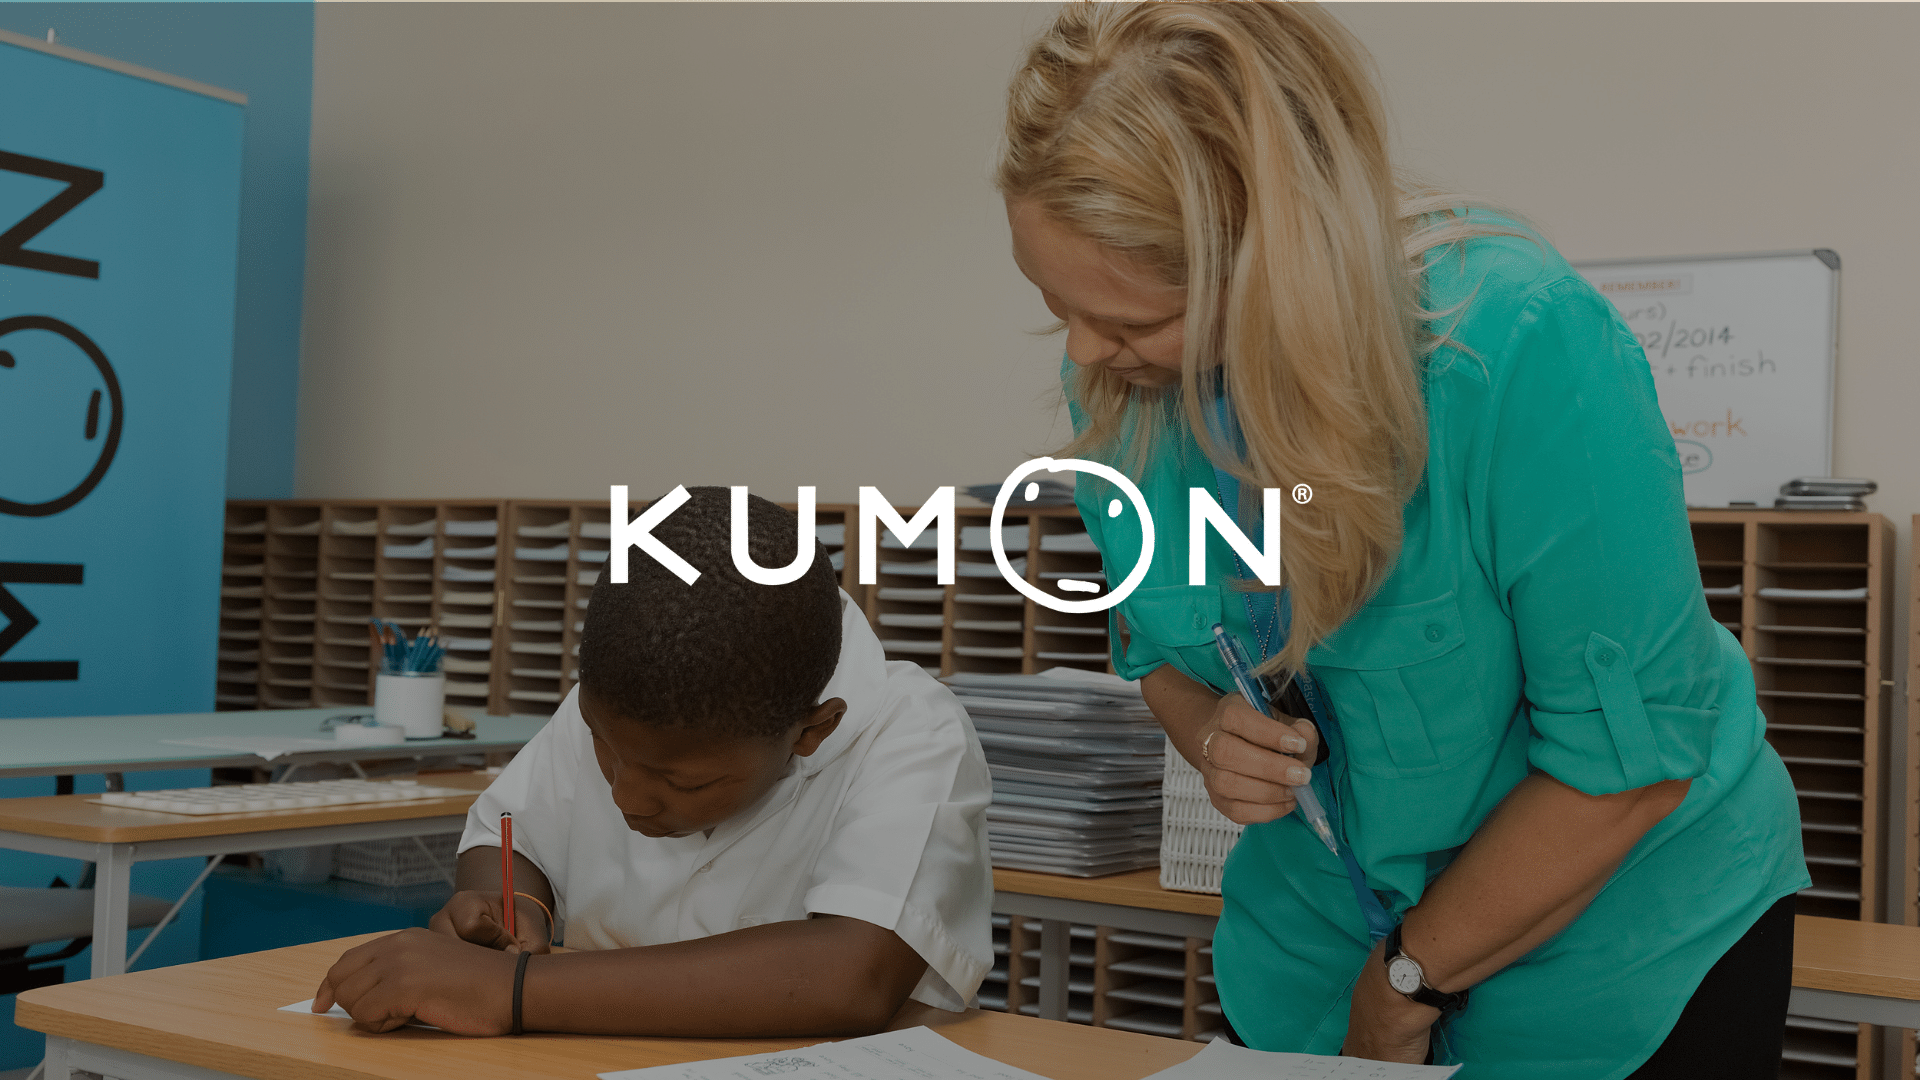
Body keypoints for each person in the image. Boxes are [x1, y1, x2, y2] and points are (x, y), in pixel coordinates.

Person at [994, 4, 1806, 1077]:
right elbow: (1158, 656)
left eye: (1136, 322)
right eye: (1059, 307)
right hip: (1311, 954)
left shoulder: (1516, 349)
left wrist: (1406, 980)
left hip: (1611, 955)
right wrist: (1211, 735)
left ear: (1279, 264)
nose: (1089, 353)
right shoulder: (1122, 389)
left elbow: (1630, 763)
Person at [312, 487, 994, 1036]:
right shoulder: (625, 703)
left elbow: (851, 977)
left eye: (683, 781)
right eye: (603, 754)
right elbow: (507, 835)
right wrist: (513, 904)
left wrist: (509, 990)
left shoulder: (912, 733)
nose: (628, 799)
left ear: (811, 732)